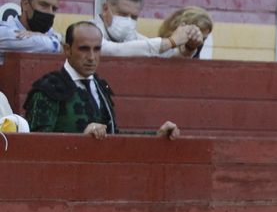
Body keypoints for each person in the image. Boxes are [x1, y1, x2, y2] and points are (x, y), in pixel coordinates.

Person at [25, 22, 180, 139]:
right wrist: (81, 139)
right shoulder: (48, 88)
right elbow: (37, 144)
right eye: (84, 49)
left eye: (97, 49)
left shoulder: (100, 86)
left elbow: (114, 137)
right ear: (67, 50)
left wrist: (155, 135)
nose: (92, 57)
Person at [98, 0, 204, 58]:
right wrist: (171, 42)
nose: (128, 20)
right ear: (105, 9)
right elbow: (112, 51)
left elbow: (170, 56)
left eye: (134, 17)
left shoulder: (132, 36)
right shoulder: (90, 31)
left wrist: (189, 47)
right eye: (123, 14)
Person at [0, 0, 64, 56]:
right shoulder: (4, 31)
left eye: (54, 9)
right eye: (44, 5)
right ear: (25, 4)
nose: (50, 12)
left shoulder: (47, 32)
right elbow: (48, 46)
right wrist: (57, 43)